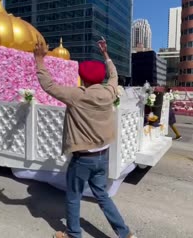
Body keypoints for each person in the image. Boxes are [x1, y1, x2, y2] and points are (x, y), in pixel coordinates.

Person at [34, 38, 135, 238]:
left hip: (83, 160)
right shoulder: (109, 92)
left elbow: (49, 85)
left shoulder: (77, 95)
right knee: (102, 196)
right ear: (100, 79)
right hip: (102, 156)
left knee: (73, 196)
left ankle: (73, 233)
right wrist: (105, 55)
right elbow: (114, 76)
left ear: (82, 78)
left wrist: (39, 60)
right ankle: (125, 234)